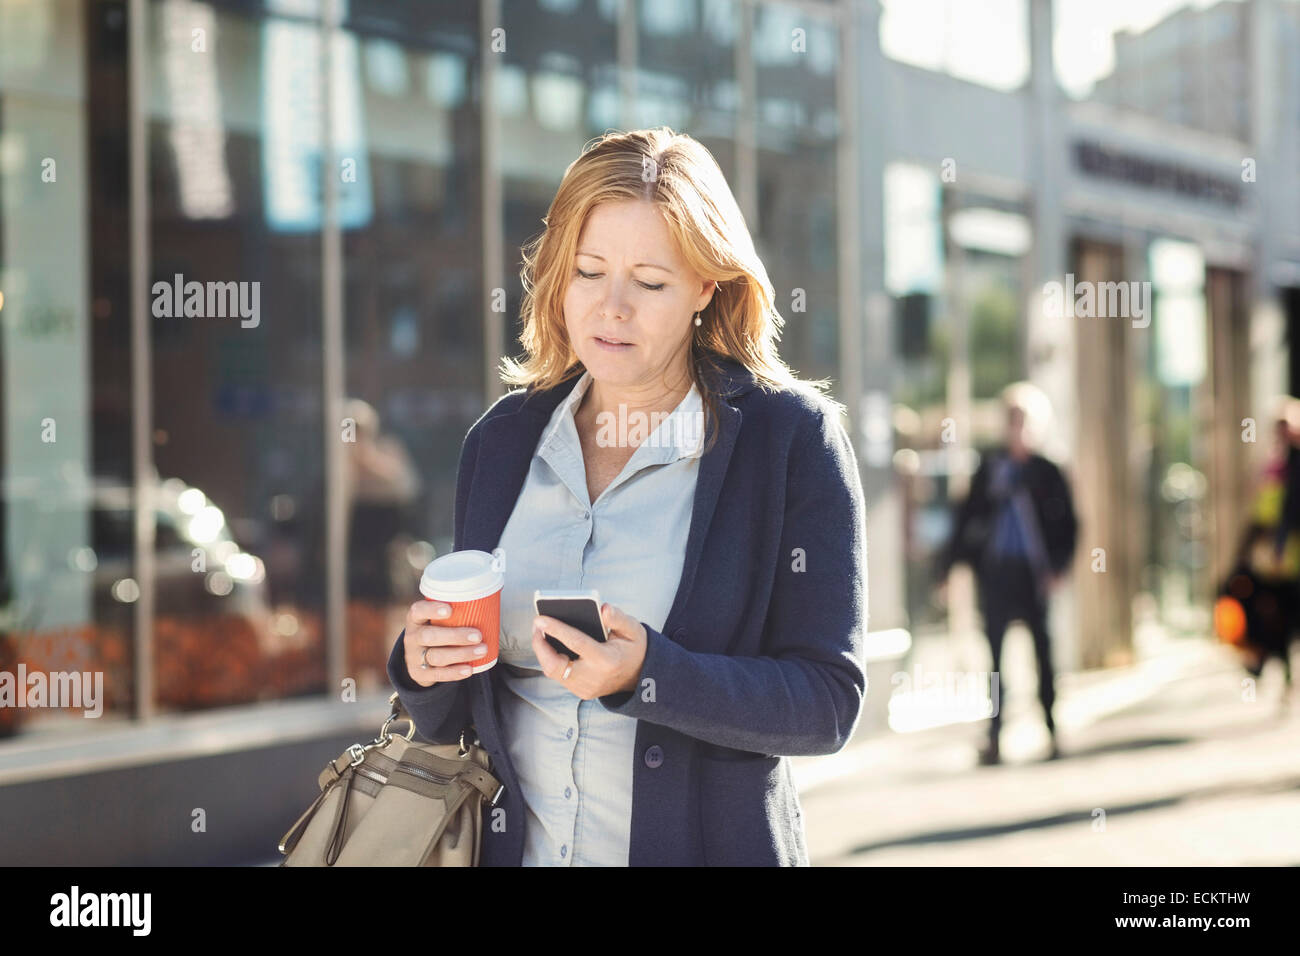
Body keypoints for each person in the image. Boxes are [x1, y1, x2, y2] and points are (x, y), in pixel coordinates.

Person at [385, 127, 868, 866]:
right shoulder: (501, 442)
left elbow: (827, 705)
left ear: (708, 286)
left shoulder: (790, 441)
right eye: (587, 272)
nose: (612, 308)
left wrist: (653, 675)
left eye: (649, 282)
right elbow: (463, 719)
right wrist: (425, 667)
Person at [935, 383, 1078, 765]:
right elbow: (966, 520)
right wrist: (949, 569)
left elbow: (1070, 525)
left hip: (1034, 575)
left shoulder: (1048, 471)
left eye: (1023, 419)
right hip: (997, 573)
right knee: (995, 660)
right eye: (1011, 419)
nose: (1016, 427)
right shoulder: (990, 468)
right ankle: (996, 736)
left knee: (1043, 653)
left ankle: (1052, 729)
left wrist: (1060, 568)